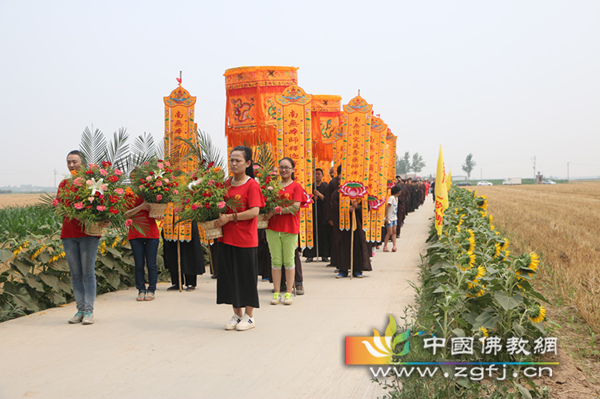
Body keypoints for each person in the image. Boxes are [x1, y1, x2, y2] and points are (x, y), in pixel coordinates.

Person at [215, 146, 264, 331]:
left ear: (248, 163)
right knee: (230, 276)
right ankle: (236, 314)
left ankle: (249, 316)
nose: (234, 163)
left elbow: (254, 211)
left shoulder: (252, 185)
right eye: (232, 160)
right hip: (226, 238)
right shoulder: (226, 184)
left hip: (245, 239)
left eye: (238, 160)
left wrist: (230, 217)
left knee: (246, 277)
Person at [58, 150, 105, 325]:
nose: (71, 165)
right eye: (69, 162)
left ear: (82, 163)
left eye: (75, 161)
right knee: (75, 274)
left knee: (88, 273)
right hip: (68, 235)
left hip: (88, 234)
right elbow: (59, 206)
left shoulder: (91, 183)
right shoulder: (64, 184)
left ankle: (89, 311)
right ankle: (79, 309)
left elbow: (103, 205)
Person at [264, 157, 305, 305]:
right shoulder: (273, 187)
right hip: (273, 228)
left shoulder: (296, 187)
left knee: (288, 261)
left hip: (289, 228)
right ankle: (276, 293)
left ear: (293, 169)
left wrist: (278, 211)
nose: (284, 170)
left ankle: (288, 293)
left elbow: (295, 207)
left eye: (287, 167)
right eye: (281, 167)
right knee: (275, 261)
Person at [124, 195, 162, 301]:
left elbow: (157, 213)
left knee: (151, 264)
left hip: (152, 234)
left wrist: (159, 215)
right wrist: (141, 207)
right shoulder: (128, 196)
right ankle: (141, 289)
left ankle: (151, 290)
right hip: (135, 235)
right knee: (139, 265)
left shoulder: (151, 194)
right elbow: (125, 215)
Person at [303, 168, 330, 263]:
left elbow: (328, 199)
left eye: (319, 174)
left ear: (322, 175)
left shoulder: (326, 186)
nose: (317, 176)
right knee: (312, 232)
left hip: (322, 213)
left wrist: (320, 195)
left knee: (323, 234)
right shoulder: (311, 186)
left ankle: (324, 255)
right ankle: (310, 254)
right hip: (312, 213)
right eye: (316, 174)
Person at [383, 185, 401, 252]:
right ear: (398, 192)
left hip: (394, 218)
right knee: (389, 232)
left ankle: (394, 246)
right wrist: (386, 216)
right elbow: (387, 206)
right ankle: (385, 246)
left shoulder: (396, 198)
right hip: (389, 218)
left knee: (394, 232)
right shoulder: (392, 198)